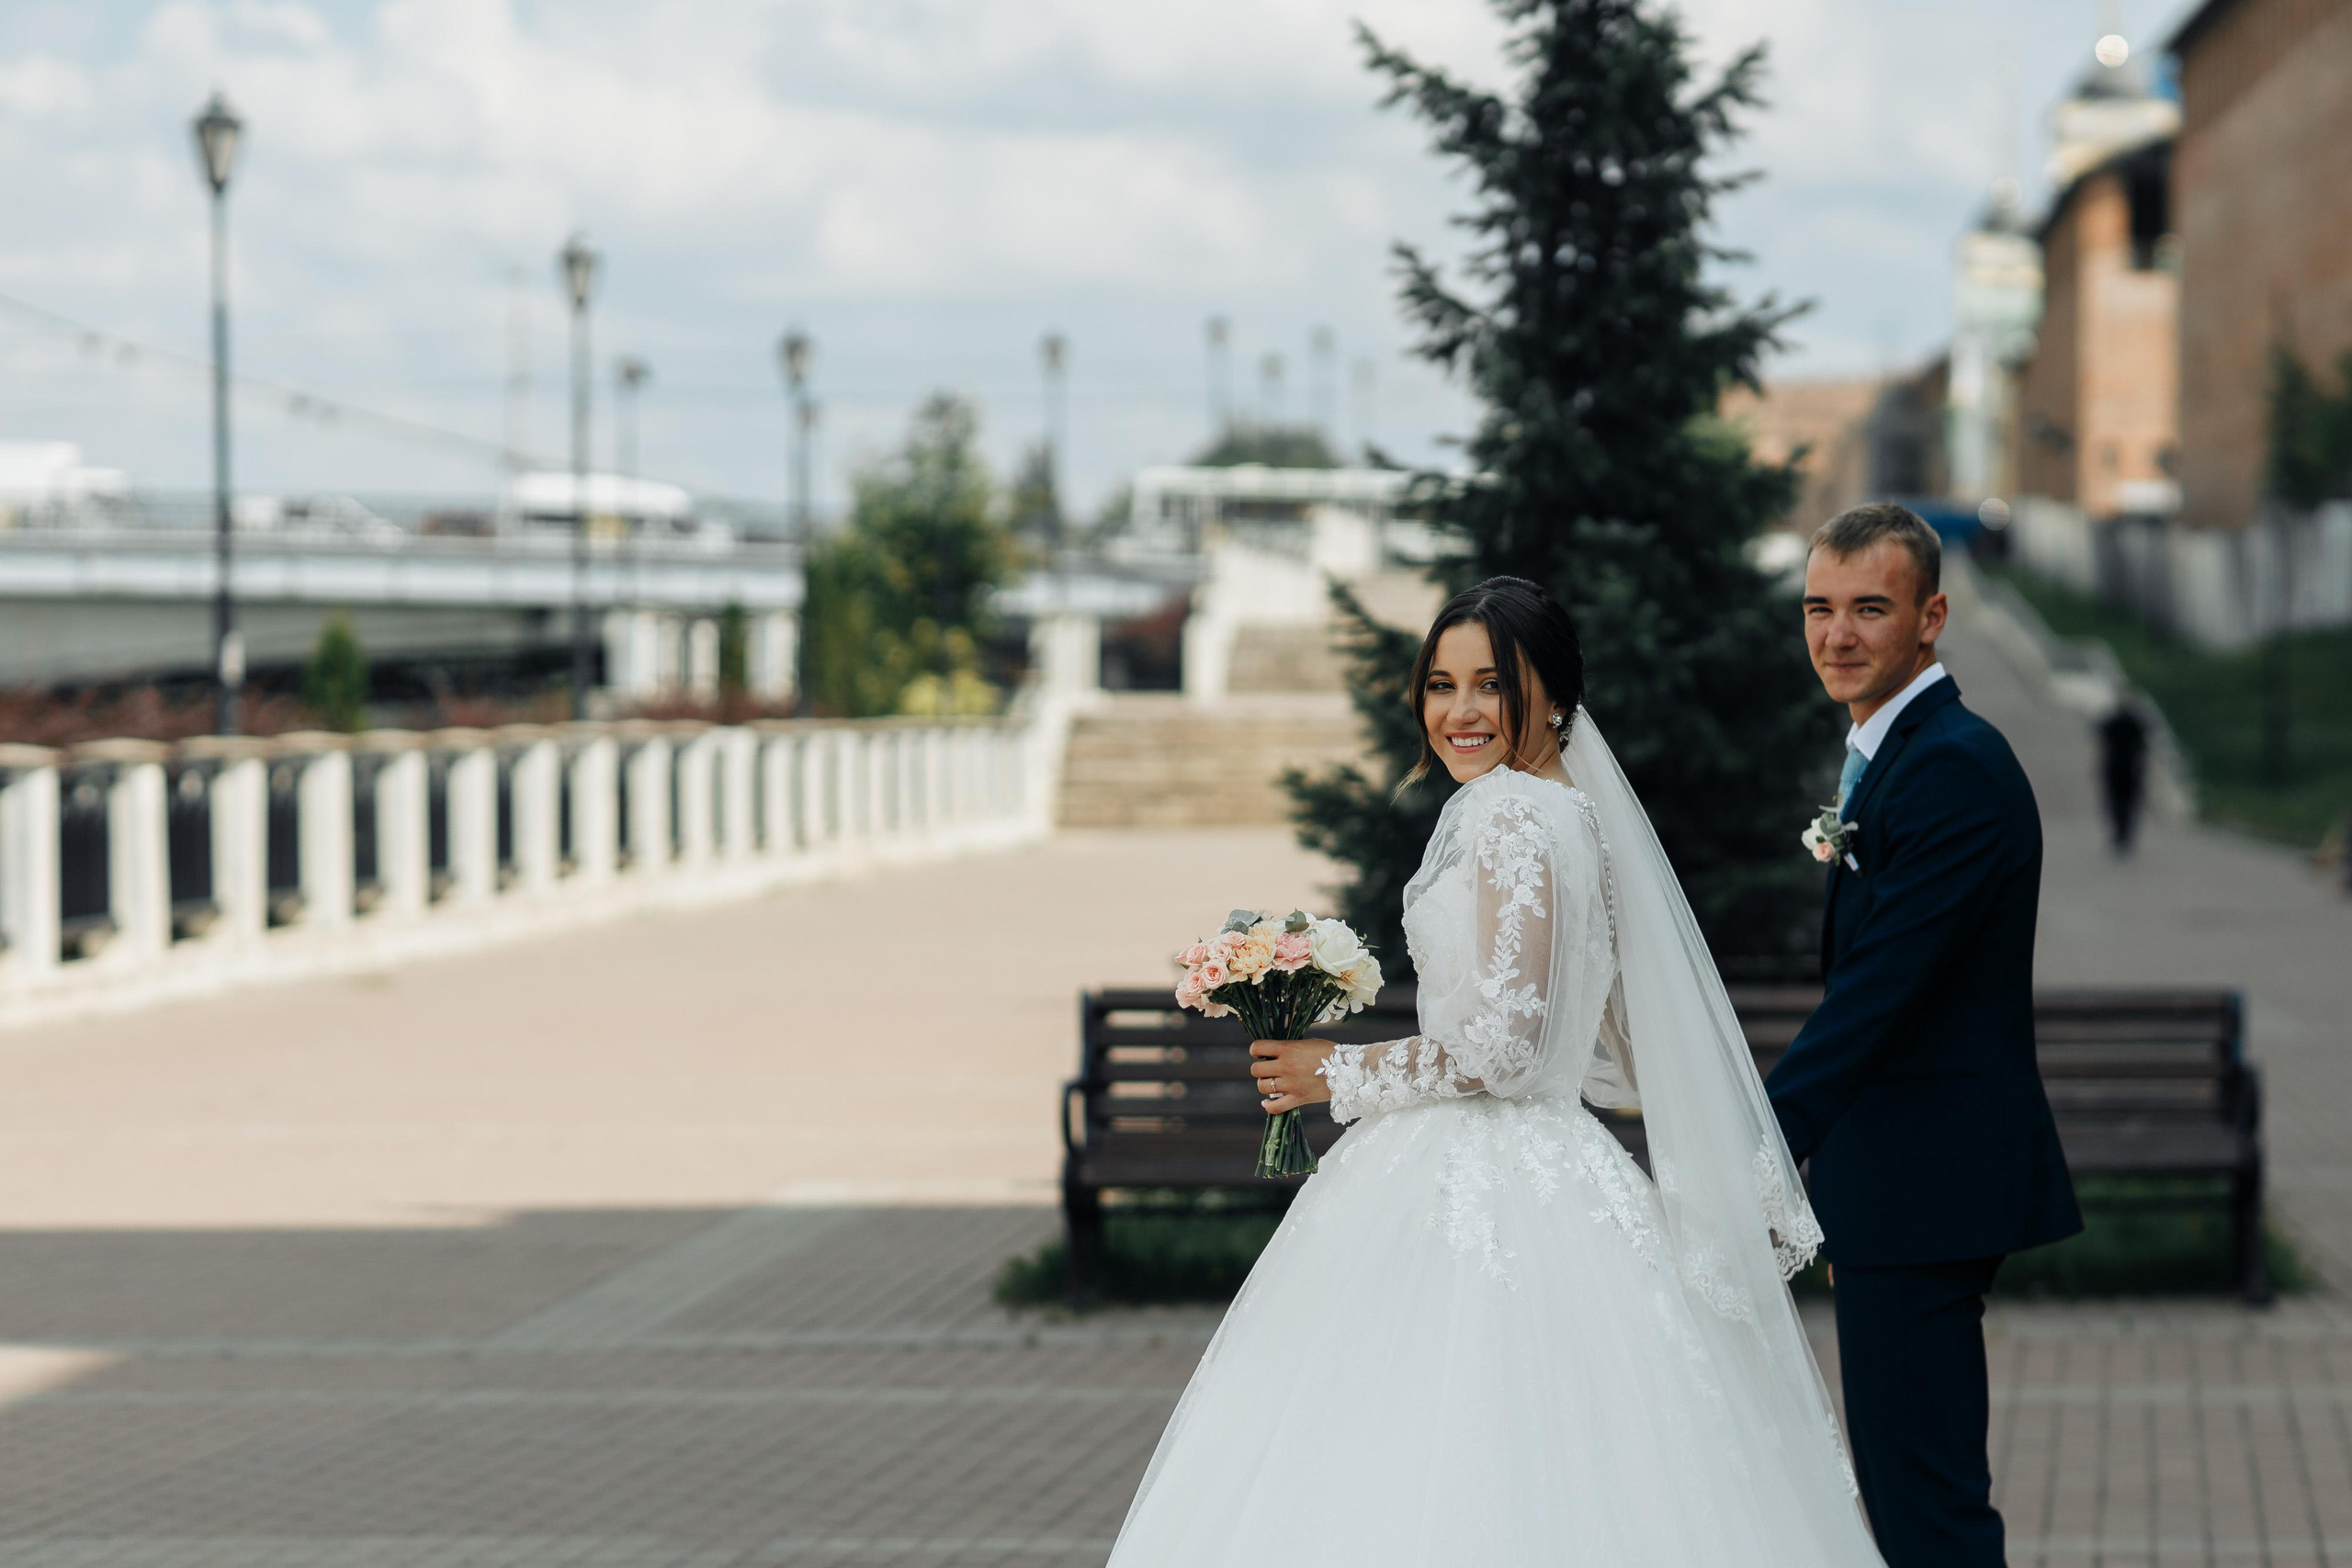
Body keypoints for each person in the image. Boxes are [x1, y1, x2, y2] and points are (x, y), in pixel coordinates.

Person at [1105, 577, 1885, 1568]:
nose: (1460, 712)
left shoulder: (1507, 816)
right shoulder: (1579, 821)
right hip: (1567, 1164)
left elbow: (1504, 1051)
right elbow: (1618, 1037)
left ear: (1552, 696)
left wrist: (1333, 1074)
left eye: (1491, 684)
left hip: (1477, 1165)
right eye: (1440, 684)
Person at [1766, 503, 2082, 1568]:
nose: (1836, 635)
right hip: (1896, 1182)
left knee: (1927, 1511)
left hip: (1925, 1183)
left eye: (1868, 608)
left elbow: (1881, 993)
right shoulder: (1895, 752)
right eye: (1818, 608)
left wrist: (1754, 1137)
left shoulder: (1950, 767)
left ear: (1932, 616)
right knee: (1911, 1499)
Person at [2097, 703, 2149, 855]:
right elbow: (2144, 744)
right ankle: (2126, 834)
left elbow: (2100, 736)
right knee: (2129, 803)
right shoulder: (2136, 722)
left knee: (2115, 803)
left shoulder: (2111, 722)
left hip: (2114, 767)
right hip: (2131, 768)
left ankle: (2119, 834)